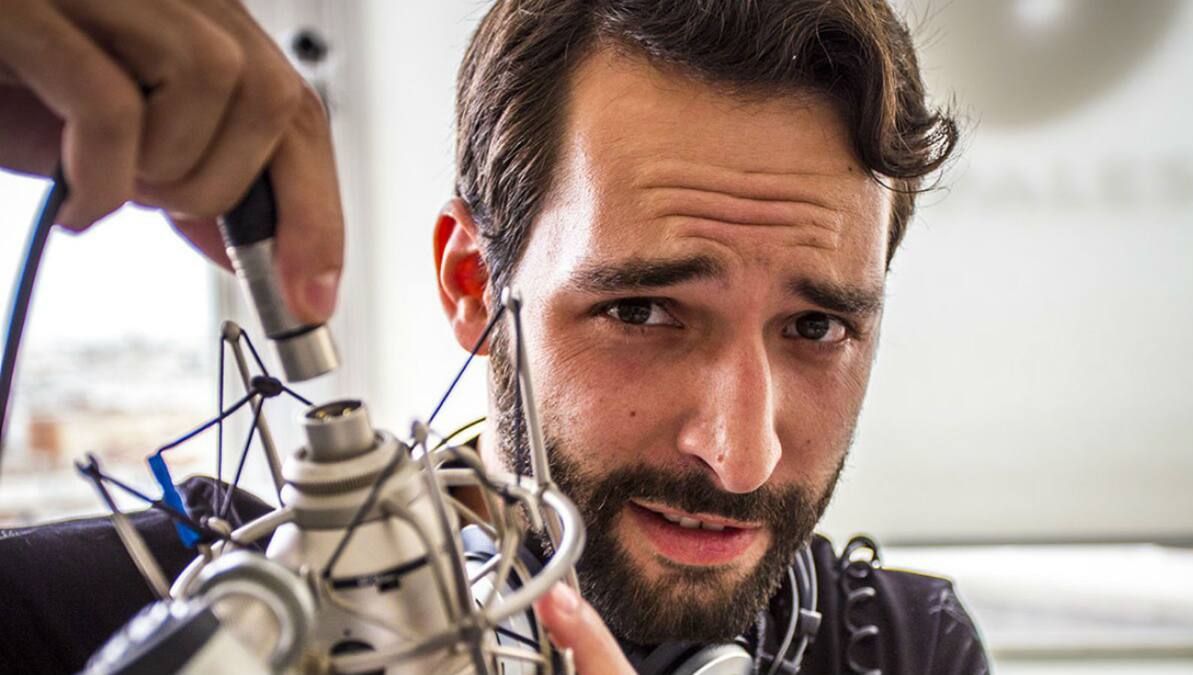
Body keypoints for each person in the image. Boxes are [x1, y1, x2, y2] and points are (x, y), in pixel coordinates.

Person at [0, 1, 990, 673]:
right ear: (474, 283)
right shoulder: (130, 611)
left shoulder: (907, 650)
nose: (741, 456)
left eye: (817, 325)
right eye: (642, 311)